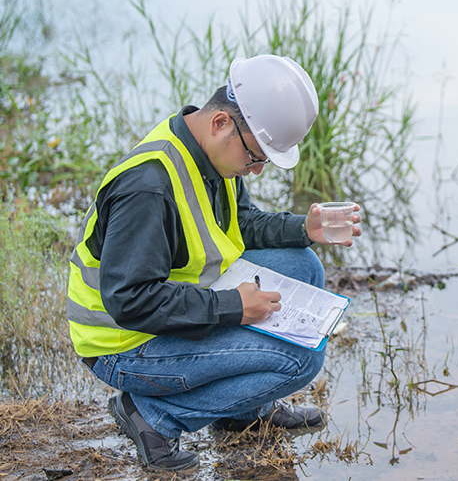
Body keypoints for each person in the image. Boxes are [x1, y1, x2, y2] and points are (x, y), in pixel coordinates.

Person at [66, 54, 361, 471]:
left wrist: (304, 228)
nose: (256, 171)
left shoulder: (211, 155)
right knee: (301, 360)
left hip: (174, 306)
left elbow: (239, 223)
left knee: (305, 267)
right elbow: (130, 301)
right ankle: (150, 415)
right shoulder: (148, 188)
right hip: (123, 343)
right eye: (256, 156)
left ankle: (242, 411)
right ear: (222, 122)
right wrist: (233, 308)